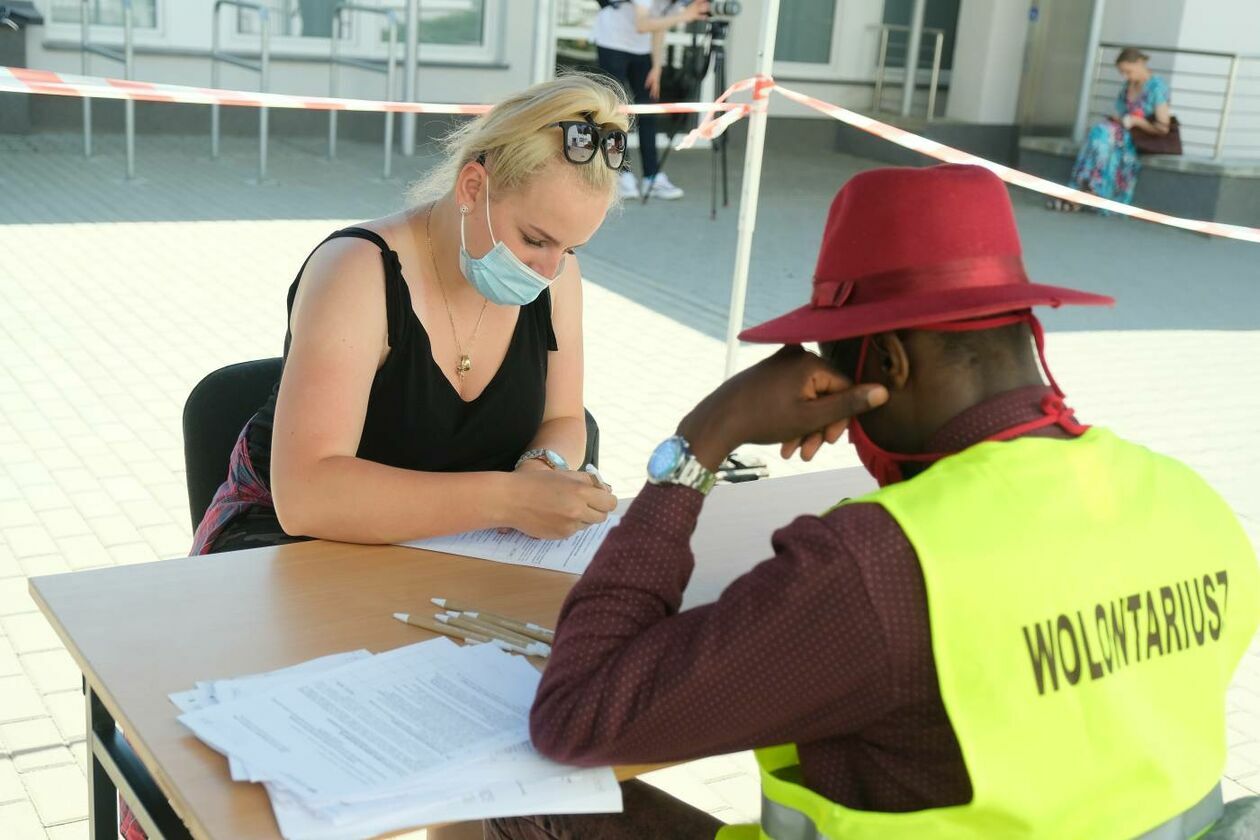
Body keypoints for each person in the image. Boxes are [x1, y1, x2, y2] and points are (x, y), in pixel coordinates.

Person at [489, 165, 1260, 839]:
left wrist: (703, 440)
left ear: (884, 362)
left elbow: (578, 714)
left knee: (518, 799)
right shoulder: (1189, 501)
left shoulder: (877, 565)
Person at [188, 74, 626, 558]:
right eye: (534, 239)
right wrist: (510, 500)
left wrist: (541, 468)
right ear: (472, 186)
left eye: (570, 247)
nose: (549, 270)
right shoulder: (357, 271)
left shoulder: (558, 276)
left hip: (455, 548)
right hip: (294, 548)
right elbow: (307, 496)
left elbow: (566, 417)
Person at [592, 0, 710, 200]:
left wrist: (657, 67)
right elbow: (643, 24)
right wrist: (685, 16)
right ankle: (621, 175)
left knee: (648, 109)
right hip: (612, 42)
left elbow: (659, 26)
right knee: (616, 110)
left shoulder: (676, 3)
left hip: (642, 49)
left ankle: (652, 176)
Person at [1050, 47, 1172, 211]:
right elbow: (1120, 113)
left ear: (1139, 63)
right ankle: (1085, 188)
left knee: (1102, 134)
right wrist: (1120, 119)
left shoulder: (1156, 87)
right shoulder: (1128, 86)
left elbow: (1163, 127)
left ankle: (1087, 191)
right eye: (1122, 72)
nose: (1125, 76)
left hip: (1139, 138)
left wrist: (1137, 121)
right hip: (1120, 135)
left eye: (1128, 71)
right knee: (1099, 131)